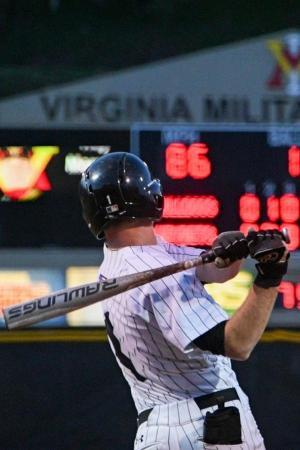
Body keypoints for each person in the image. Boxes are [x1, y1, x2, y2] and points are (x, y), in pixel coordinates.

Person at [79, 152, 289, 450]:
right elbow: (238, 343)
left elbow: (210, 269)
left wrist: (233, 249)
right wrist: (270, 277)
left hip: (156, 430)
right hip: (206, 427)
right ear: (144, 195)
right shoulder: (151, 272)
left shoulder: (119, 262)